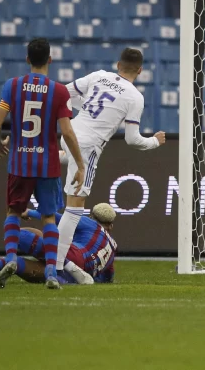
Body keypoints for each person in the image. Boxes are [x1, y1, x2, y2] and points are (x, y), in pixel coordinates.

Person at [55, 48, 165, 278]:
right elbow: (132, 140)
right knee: (74, 208)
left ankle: (43, 159)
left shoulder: (98, 75)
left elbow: (63, 93)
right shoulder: (135, 97)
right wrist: (155, 141)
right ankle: (57, 266)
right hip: (87, 146)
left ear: (118, 64)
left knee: (64, 163)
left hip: (69, 134)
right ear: (140, 70)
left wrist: (85, 106)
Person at [0, 38, 87, 290]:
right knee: (47, 218)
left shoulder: (12, 86)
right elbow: (66, 132)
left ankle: (11, 258)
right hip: (47, 165)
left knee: (13, 212)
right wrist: (79, 163)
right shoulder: (59, 91)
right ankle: (50, 273)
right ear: (50, 60)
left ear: (27, 60)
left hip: (19, 163)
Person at [0, 203, 118, 285]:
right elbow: (108, 278)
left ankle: (66, 263)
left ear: (92, 216)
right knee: (35, 268)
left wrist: (29, 212)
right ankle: (61, 278)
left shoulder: (91, 224)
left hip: (74, 255)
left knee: (17, 235)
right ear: (111, 226)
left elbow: (56, 218)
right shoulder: (113, 248)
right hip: (81, 273)